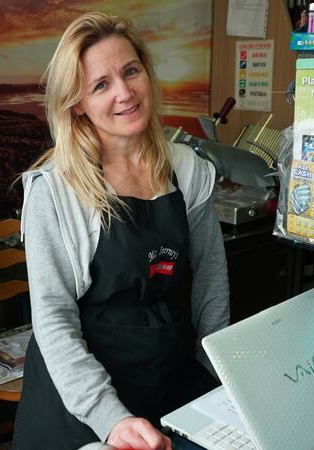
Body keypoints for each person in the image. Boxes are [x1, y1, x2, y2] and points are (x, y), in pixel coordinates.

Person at [13, 12, 229, 450]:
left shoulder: (188, 171)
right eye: (100, 85)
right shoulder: (55, 190)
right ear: (77, 104)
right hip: (80, 404)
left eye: (131, 71)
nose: (124, 93)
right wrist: (110, 419)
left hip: (169, 381)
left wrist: (213, 374)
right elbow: (54, 319)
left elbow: (210, 283)